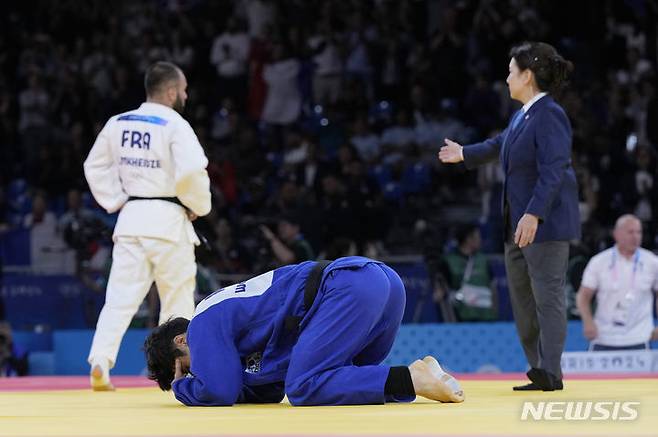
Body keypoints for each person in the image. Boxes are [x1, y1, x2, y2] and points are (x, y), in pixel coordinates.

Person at [439, 42, 580, 391]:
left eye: (511, 72)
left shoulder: (550, 114)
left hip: (541, 224)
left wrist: (534, 214)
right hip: (516, 226)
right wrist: (463, 153)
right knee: (523, 302)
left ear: (527, 76)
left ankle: (552, 372)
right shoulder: (523, 115)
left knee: (547, 298)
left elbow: (554, 169)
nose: (506, 79)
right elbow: (497, 144)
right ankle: (537, 367)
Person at [144, 256, 464, 406]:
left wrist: (183, 388)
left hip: (345, 288)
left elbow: (220, 390)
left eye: (190, 367)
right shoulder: (229, 325)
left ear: (182, 340)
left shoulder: (202, 324)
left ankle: (412, 378)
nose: (200, 372)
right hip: (382, 283)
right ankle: (428, 372)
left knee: (304, 387)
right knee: (346, 381)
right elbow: (269, 391)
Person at [84, 61, 212, 391]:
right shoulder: (175, 125)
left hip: (132, 217)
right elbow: (192, 171)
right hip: (169, 218)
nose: (185, 95)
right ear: (170, 91)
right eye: (183, 90)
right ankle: (177, 369)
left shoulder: (118, 123)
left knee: (119, 298)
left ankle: (100, 360)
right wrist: (196, 205)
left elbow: (94, 166)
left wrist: (117, 199)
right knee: (178, 300)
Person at [576, 214, 658, 351]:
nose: (635, 236)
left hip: (640, 337)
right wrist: (587, 321)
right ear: (616, 234)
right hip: (603, 337)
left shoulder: (652, 262)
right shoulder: (599, 262)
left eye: (639, 232)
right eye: (630, 232)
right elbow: (583, 296)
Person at [436, 224, 497, 322]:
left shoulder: (483, 260)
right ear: (468, 239)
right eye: (477, 236)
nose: (480, 240)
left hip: (487, 317)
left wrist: (494, 312)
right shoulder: (448, 261)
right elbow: (441, 291)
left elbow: (493, 287)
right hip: (460, 318)